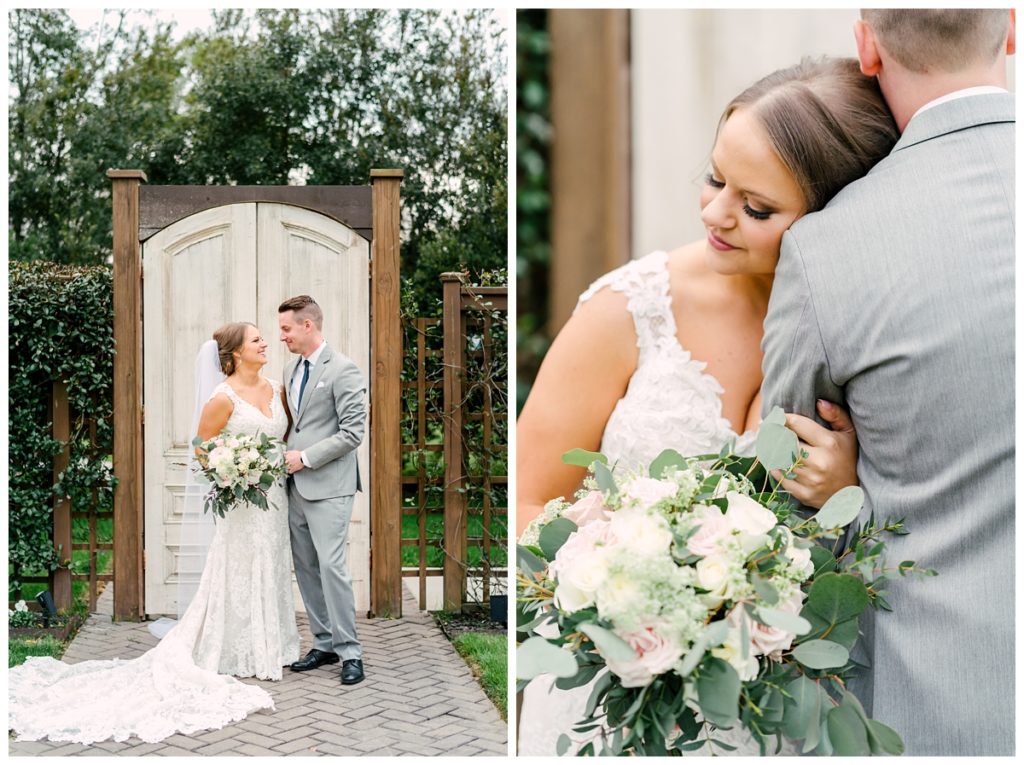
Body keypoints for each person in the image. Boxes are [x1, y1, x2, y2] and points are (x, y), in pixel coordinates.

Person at [516, 57, 900, 756]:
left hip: (769, 713)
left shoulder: (866, 334)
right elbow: (527, 500)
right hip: (613, 695)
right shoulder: (628, 310)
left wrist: (849, 487)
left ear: (832, 215)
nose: (716, 212)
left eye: (756, 208)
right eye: (715, 177)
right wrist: (615, 593)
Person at [761, 10, 1014, 756]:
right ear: (1010, 28)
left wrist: (852, 490)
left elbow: (781, 502)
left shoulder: (826, 249)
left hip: (929, 716)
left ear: (866, 44)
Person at [8, 323, 301, 744]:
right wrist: (232, 470)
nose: (265, 343)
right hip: (241, 501)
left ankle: (274, 645)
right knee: (236, 567)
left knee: (272, 564)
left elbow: (282, 437)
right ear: (235, 353)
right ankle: (232, 647)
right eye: (256, 339)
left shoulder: (276, 387)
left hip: (275, 499)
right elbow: (202, 447)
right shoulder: (223, 398)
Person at [278, 295, 367, 686]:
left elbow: (352, 433)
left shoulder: (344, 370)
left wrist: (306, 458)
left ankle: (351, 652)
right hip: (293, 486)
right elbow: (293, 426)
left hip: (329, 485)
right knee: (306, 567)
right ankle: (324, 642)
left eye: (286, 329)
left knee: (332, 567)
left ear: (307, 326)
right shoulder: (289, 370)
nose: (281, 336)